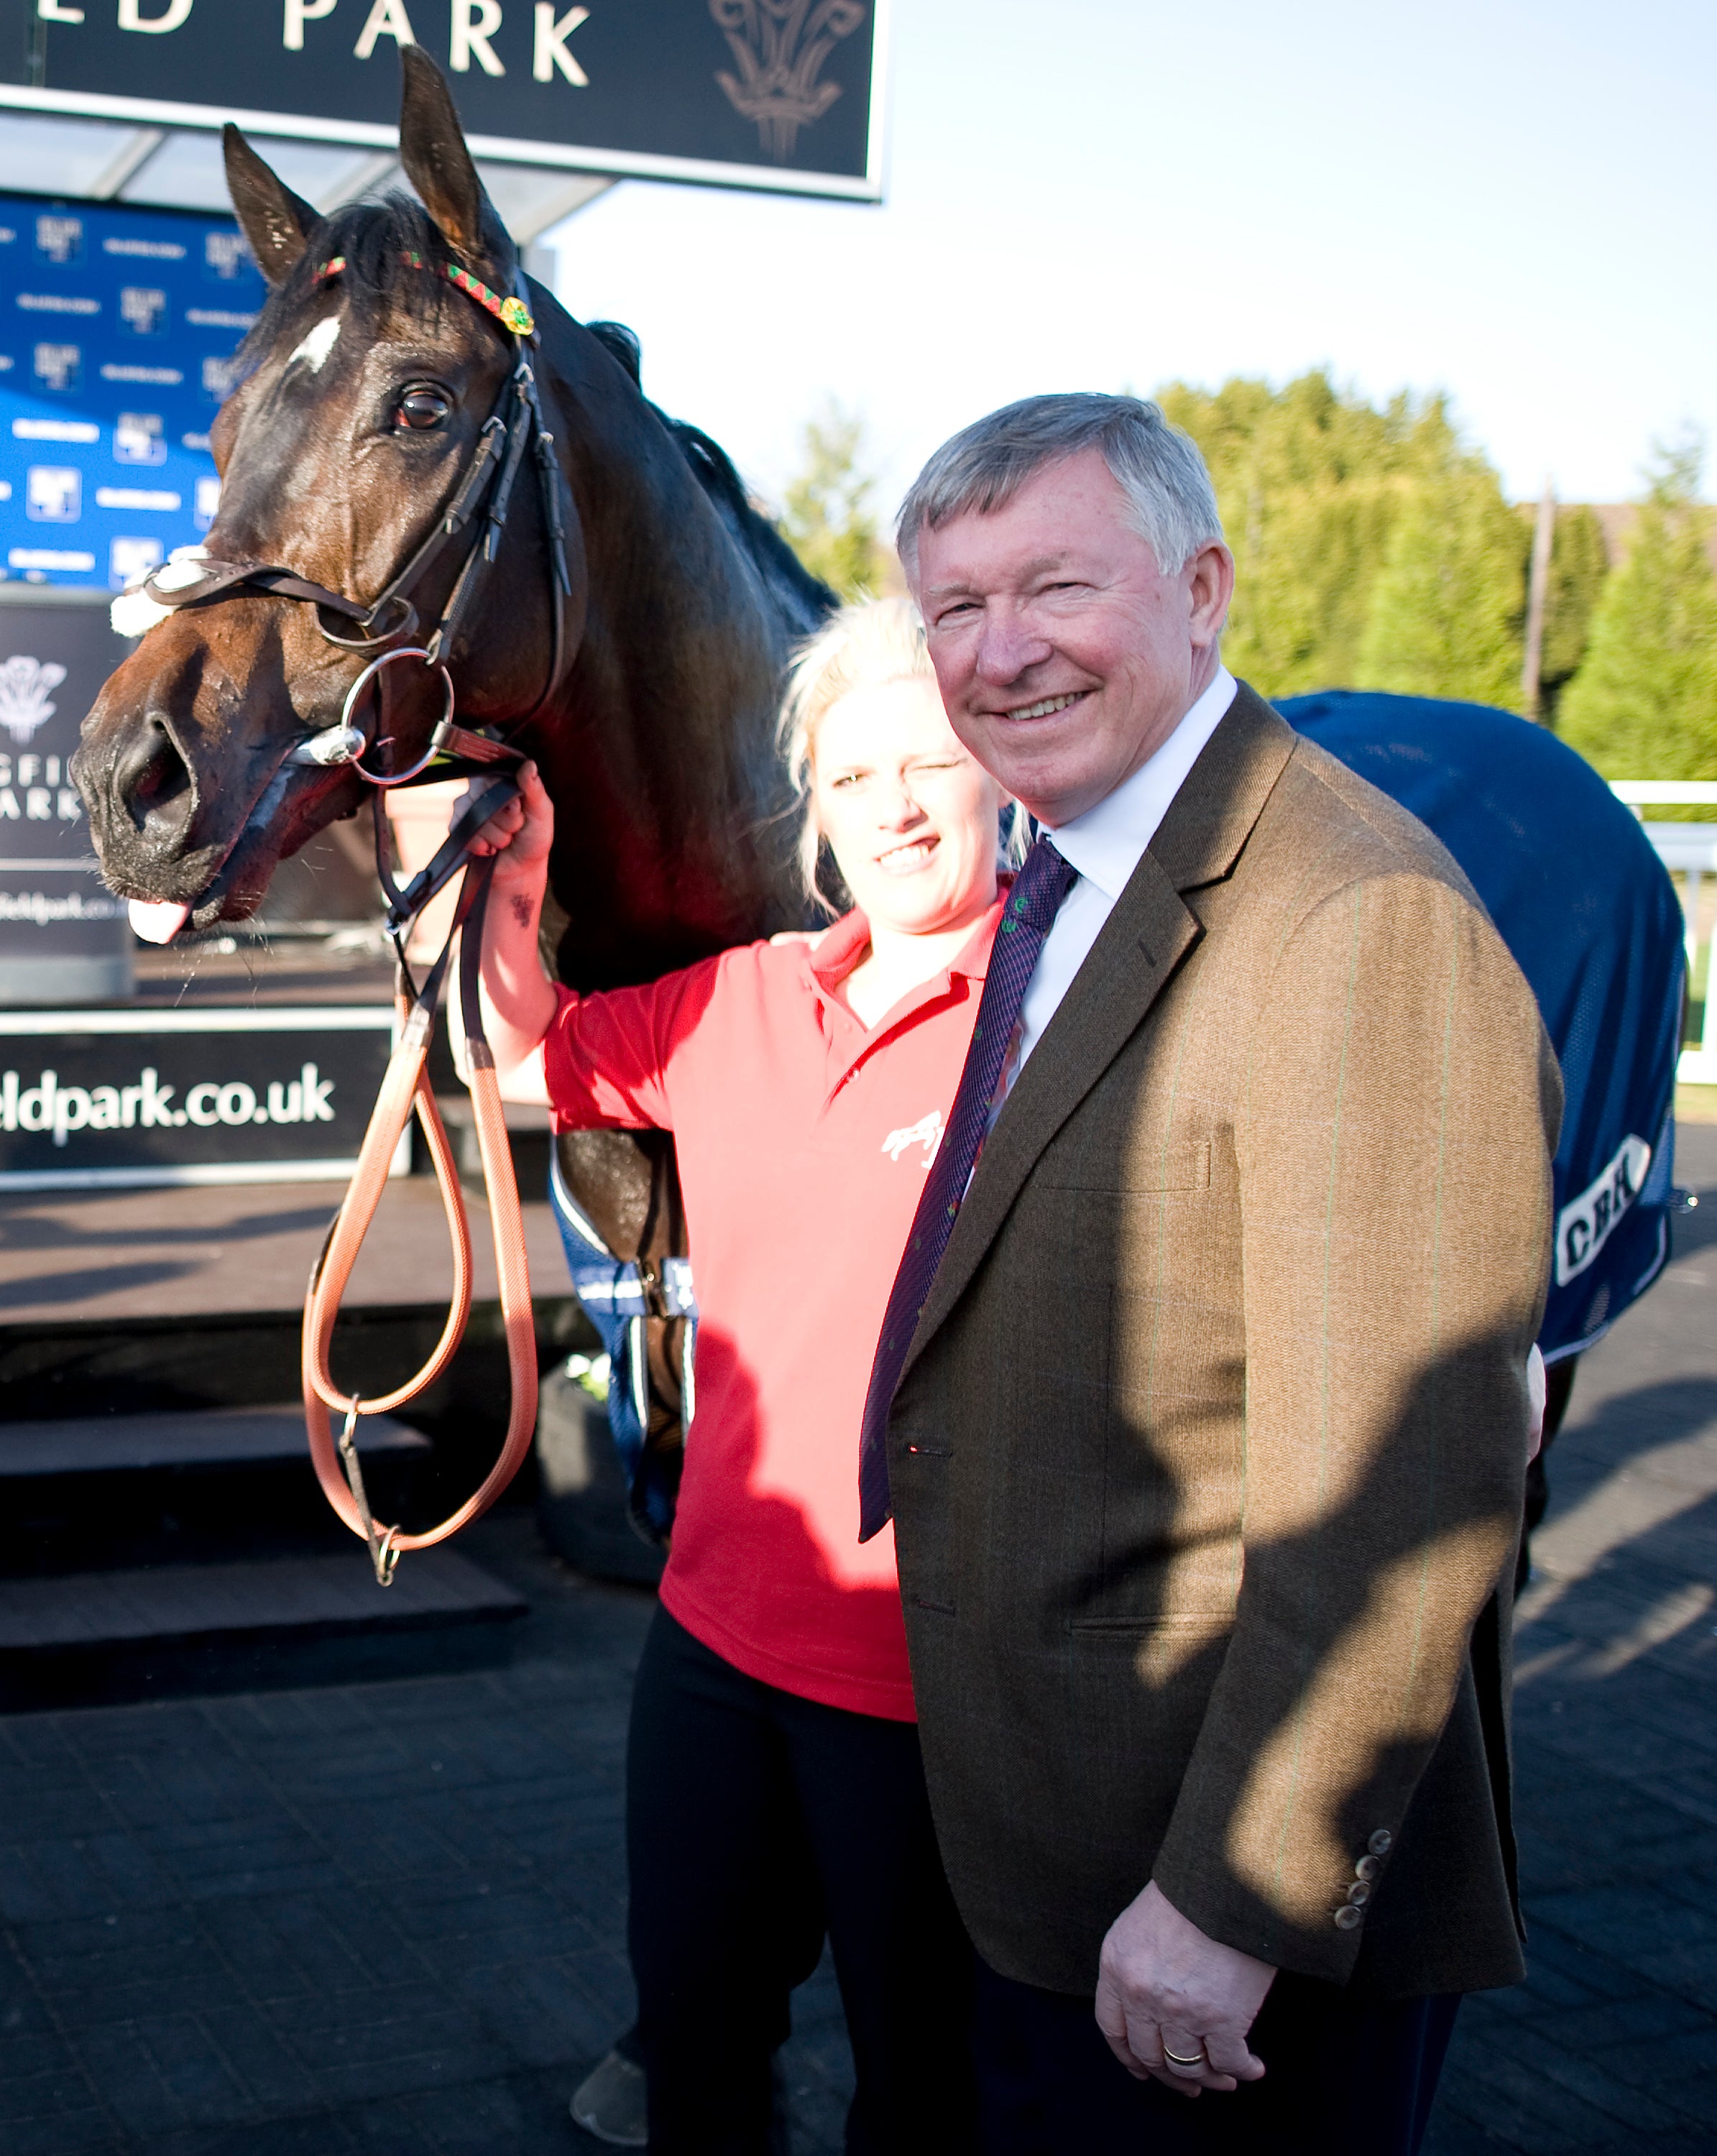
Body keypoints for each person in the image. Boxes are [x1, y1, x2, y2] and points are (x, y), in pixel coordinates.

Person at [857, 395, 1560, 2155]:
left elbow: (1407, 1473)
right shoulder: (1074, 873)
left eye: (1055, 590)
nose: (1000, 654)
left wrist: (1242, 1898)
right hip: (1054, 1856)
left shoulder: (1350, 921)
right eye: (954, 609)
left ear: (1202, 591)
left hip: (1199, 1929)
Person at [465, 596, 1015, 2155]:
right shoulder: (749, 996)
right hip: (710, 1644)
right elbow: (527, 1056)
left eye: (931, 761)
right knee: (692, 2048)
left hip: (931, 1686)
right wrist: (510, 875)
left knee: (929, 2092)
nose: (894, 805)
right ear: (817, 821)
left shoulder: (1060, 1018)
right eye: (851, 782)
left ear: (1001, 774)